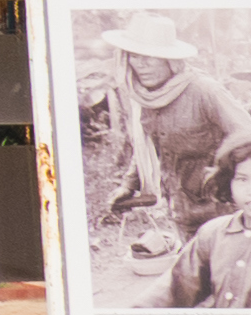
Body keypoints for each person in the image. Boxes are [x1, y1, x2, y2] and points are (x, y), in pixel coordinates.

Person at [104, 19, 251, 232]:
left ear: (170, 60)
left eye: (150, 56)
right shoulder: (145, 97)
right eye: (135, 56)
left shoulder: (205, 92)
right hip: (182, 210)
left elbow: (247, 139)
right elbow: (148, 146)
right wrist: (129, 185)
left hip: (223, 212)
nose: (141, 64)